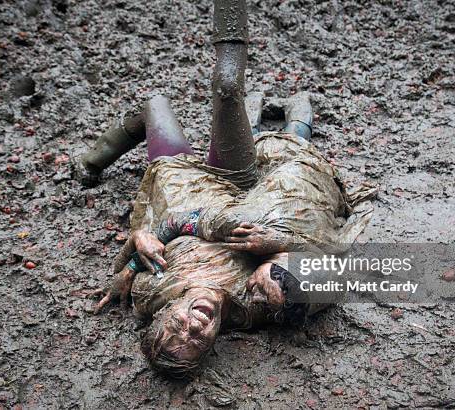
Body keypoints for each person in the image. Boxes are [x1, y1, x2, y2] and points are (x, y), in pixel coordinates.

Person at [82, 0, 374, 376]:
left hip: (178, 184)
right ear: (214, 342)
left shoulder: (150, 293)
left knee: (155, 105)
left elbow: (159, 234)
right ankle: (284, 107)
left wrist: (137, 249)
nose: (196, 325)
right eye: (199, 339)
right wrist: (280, 251)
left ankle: (88, 162)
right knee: (228, 90)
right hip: (234, 185)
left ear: (165, 314)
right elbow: (331, 269)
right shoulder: (252, 304)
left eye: (178, 326)